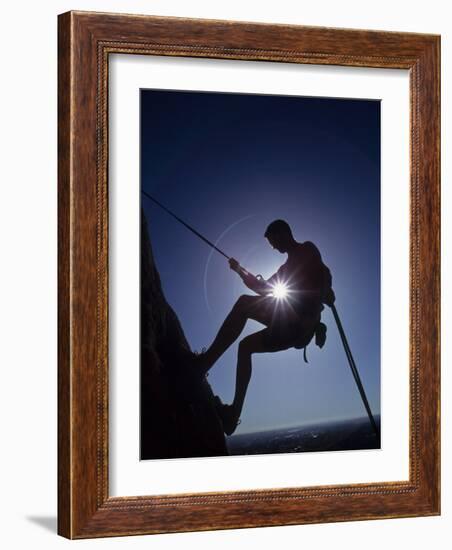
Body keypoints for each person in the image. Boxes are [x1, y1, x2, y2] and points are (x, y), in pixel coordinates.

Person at [194, 219, 335, 435]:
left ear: (283, 234)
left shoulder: (306, 249)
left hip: (297, 325)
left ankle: (204, 364)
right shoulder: (286, 267)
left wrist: (324, 292)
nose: (274, 247)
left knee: (243, 304)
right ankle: (232, 416)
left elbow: (319, 275)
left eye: (273, 242)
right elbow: (264, 288)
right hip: (291, 325)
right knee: (245, 346)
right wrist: (240, 270)